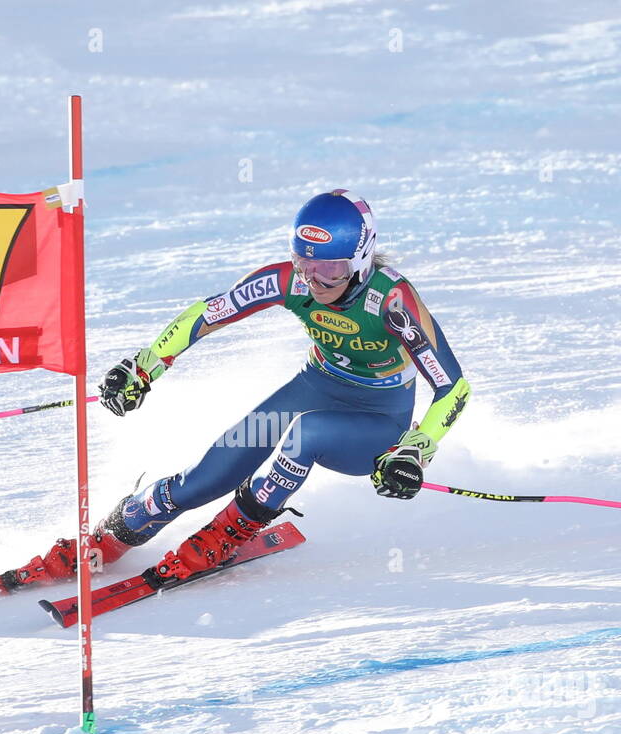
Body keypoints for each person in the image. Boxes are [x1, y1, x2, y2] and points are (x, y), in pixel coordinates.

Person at [36, 188, 470, 582]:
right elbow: (208, 314)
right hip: (316, 385)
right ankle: (111, 536)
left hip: (377, 423)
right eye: (306, 264)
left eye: (331, 270)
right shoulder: (290, 281)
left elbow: (453, 388)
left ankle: (229, 531)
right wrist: (144, 367)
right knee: (203, 479)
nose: (316, 281)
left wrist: (415, 450)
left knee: (306, 434)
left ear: (360, 259)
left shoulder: (392, 301)